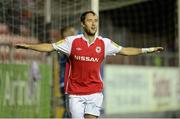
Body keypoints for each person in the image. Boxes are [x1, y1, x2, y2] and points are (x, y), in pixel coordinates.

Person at [15, 10, 164, 118]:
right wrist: (29, 46)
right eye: (90, 20)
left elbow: (125, 50)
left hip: (94, 92)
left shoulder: (104, 43)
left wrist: (148, 50)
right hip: (75, 94)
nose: (94, 24)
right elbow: (50, 46)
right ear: (83, 24)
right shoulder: (71, 41)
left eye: (96, 21)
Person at [59, 26, 76, 118]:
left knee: (70, 109)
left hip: (70, 82)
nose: (72, 34)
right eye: (70, 32)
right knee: (70, 110)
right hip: (66, 82)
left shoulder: (67, 44)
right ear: (64, 33)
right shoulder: (65, 44)